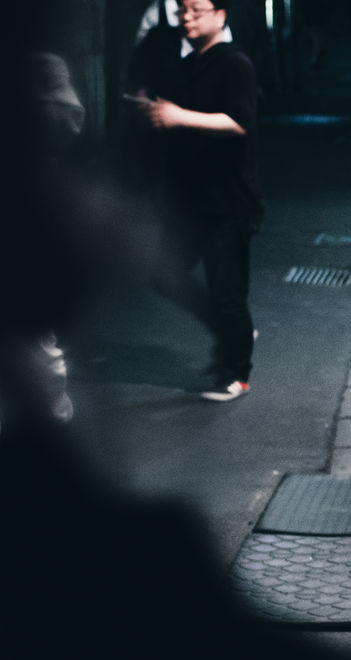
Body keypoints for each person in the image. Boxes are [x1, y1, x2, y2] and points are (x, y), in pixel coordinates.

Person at [132, 1, 261, 402]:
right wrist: (152, 109)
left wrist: (178, 116)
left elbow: (240, 122)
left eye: (198, 10)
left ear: (221, 16)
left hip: (227, 202)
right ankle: (229, 333)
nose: (188, 17)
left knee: (228, 293)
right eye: (184, 10)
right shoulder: (189, 66)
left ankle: (237, 373)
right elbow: (169, 110)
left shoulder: (235, 63)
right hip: (189, 201)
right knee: (163, 273)